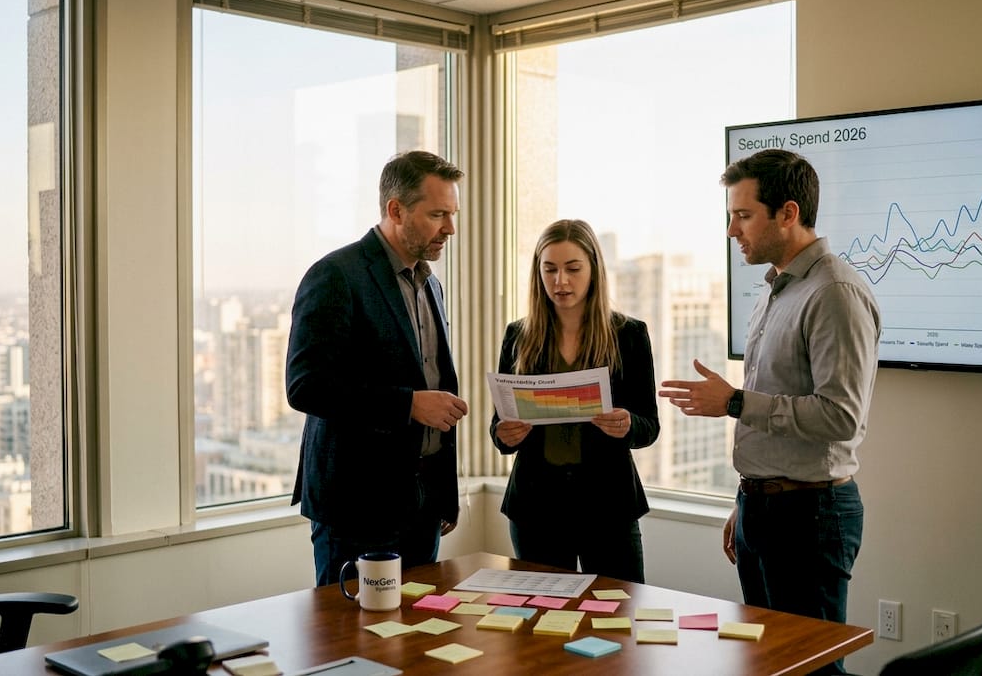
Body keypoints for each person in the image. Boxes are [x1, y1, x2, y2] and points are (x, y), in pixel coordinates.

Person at [659, 149, 880, 674]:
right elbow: (783, 404)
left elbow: (840, 416)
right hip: (767, 509)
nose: (732, 230)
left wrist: (734, 401)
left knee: (812, 669)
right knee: (768, 663)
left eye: (743, 215)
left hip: (811, 517)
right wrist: (751, 496)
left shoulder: (834, 292)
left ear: (787, 213)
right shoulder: (777, 289)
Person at [286, 150, 469, 587]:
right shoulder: (335, 275)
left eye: (452, 214)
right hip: (355, 509)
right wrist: (408, 405)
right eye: (438, 214)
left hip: (422, 506)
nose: (450, 228)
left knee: (420, 643)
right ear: (395, 210)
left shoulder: (432, 284)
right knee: (350, 643)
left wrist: (443, 497)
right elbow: (306, 387)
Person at [489, 219, 660, 583]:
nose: (560, 281)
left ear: (594, 270)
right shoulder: (518, 335)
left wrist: (628, 424)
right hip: (536, 508)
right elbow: (498, 429)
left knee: (620, 619)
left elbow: (649, 426)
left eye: (572, 269)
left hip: (609, 508)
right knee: (542, 625)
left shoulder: (628, 335)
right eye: (549, 269)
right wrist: (505, 434)